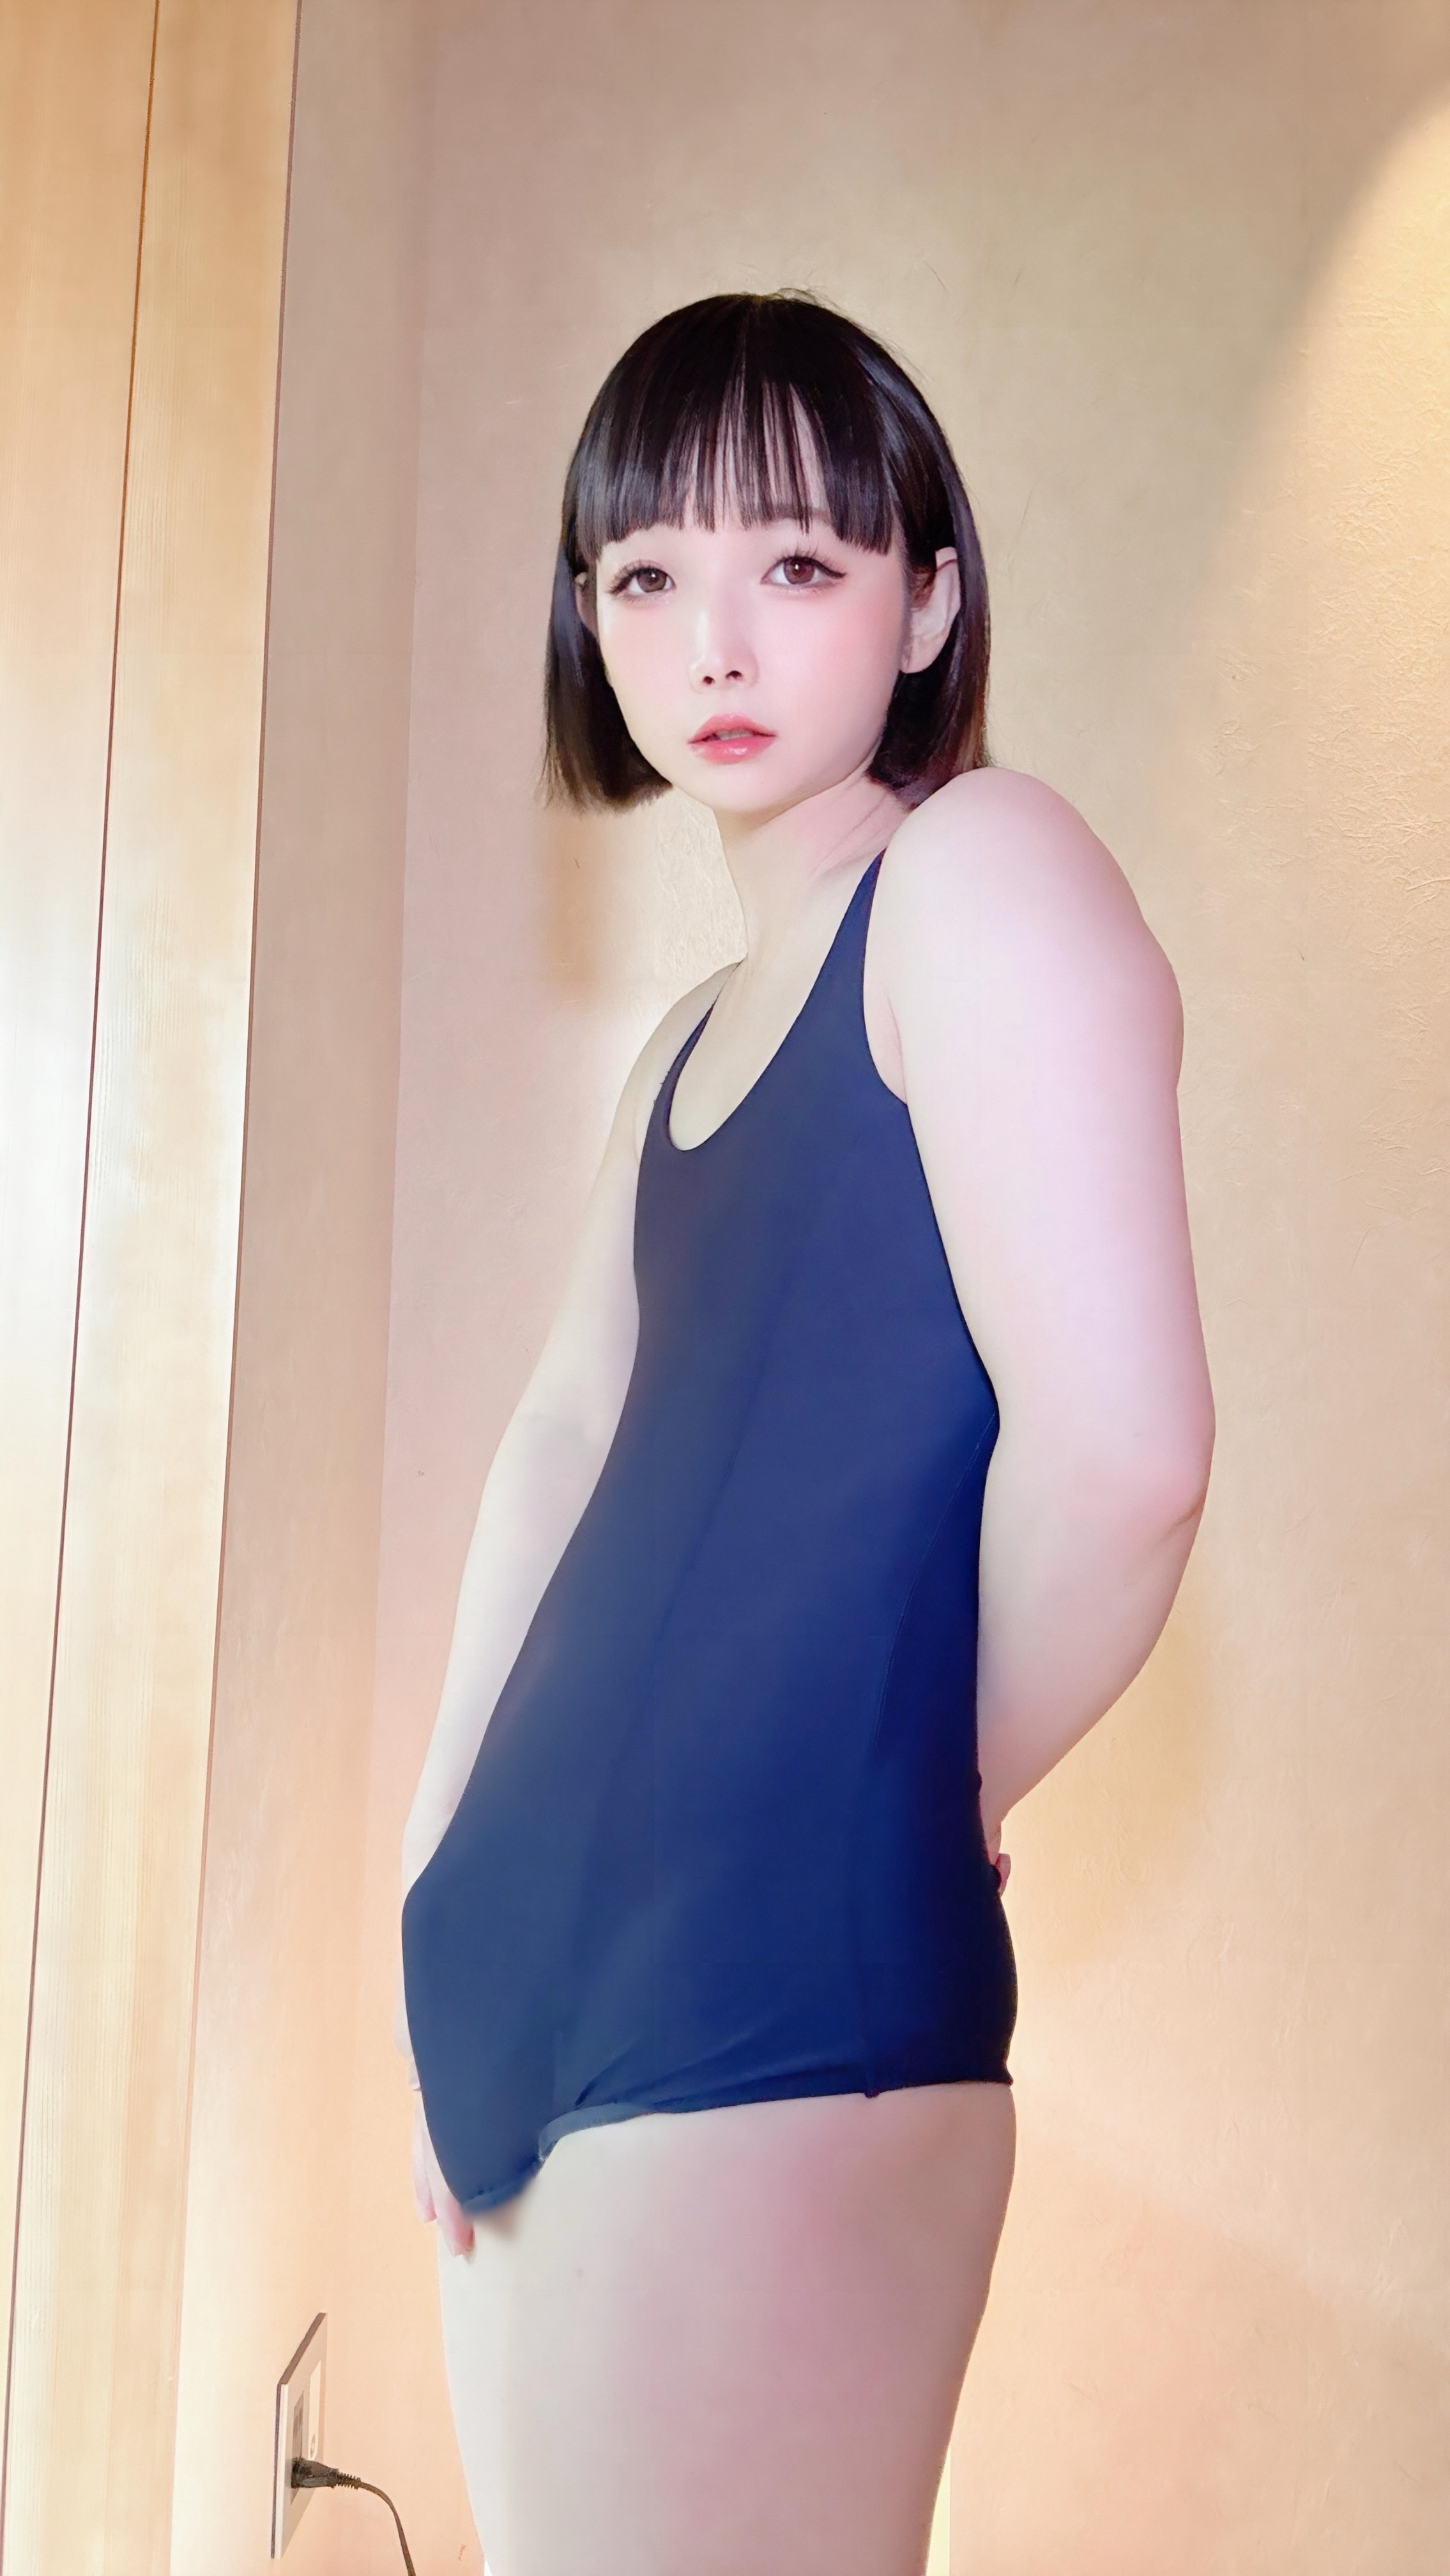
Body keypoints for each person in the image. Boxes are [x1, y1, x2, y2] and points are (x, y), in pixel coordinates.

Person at [395, 291, 1214, 2576]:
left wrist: (922, 1786)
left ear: (927, 600)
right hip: (522, 1968)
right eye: (647, 573)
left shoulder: (981, 872)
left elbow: (1129, 1454)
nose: (715, 639)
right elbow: (560, 1449)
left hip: (766, 1985)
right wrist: (435, 1879)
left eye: (798, 562)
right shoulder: (681, 1042)